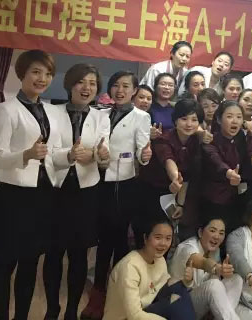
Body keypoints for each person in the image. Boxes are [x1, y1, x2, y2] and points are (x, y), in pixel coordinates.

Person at [0, 50, 61, 320]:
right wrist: (26, 155)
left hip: (43, 196)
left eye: (48, 74)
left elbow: (52, 153)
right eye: (36, 72)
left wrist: (71, 156)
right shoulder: (6, 109)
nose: (42, 79)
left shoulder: (51, 111)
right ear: (22, 73)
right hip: (14, 197)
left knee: (30, 264)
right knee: (5, 263)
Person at [83, 71, 152, 320]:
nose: (120, 90)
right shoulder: (100, 113)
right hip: (98, 181)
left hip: (123, 185)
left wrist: (145, 156)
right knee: (103, 239)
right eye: (115, 85)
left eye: (125, 86)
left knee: (120, 239)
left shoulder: (141, 117)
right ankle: (99, 291)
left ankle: (117, 292)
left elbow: (142, 151)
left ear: (134, 91)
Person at [44, 64, 111, 320]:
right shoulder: (52, 112)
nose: (87, 88)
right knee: (53, 253)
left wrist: (99, 155)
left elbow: (104, 155)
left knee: (79, 254)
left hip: (86, 194)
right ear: (70, 84)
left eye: (92, 83)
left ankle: (72, 310)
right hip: (57, 191)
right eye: (81, 82)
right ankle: (52, 309)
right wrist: (70, 155)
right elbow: (48, 153)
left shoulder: (101, 117)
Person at [103, 218, 195, 320]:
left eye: (168, 238)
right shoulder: (129, 267)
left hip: (147, 308)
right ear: (145, 238)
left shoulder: (159, 260)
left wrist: (187, 281)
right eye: (158, 237)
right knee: (175, 303)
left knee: (179, 289)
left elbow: (167, 286)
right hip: (127, 317)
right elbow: (134, 315)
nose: (163, 243)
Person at [138, 99, 204, 241]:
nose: (189, 124)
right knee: (149, 233)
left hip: (173, 193)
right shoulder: (164, 138)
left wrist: (180, 203)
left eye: (194, 120)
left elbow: (186, 176)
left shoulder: (195, 142)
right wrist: (175, 177)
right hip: (151, 191)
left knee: (167, 234)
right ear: (175, 120)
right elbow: (168, 161)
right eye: (184, 119)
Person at [170, 216, 242, 320]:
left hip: (201, 305)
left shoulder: (215, 251)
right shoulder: (187, 247)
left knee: (236, 279)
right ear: (200, 232)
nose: (217, 236)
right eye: (212, 231)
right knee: (214, 285)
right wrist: (217, 268)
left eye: (221, 233)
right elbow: (202, 262)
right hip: (180, 305)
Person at [201, 101, 248, 232]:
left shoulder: (241, 137)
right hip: (214, 198)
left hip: (236, 197)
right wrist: (229, 173)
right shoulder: (211, 140)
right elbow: (215, 160)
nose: (235, 121)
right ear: (219, 119)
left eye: (239, 117)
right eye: (229, 116)